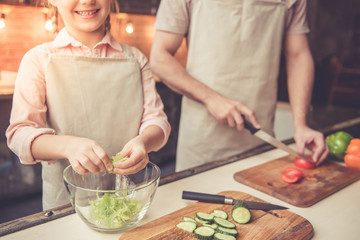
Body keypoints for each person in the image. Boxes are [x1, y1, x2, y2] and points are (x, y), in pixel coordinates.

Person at [6, 0, 170, 210]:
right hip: (66, 204)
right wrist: (68, 146)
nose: (87, 1)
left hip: (130, 200)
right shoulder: (38, 60)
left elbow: (157, 121)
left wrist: (144, 142)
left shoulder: (137, 59)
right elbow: (20, 134)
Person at [150, 0, 328, 171]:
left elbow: (298, 56)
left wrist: (301, 125)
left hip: (260, 138)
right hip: (203, 140)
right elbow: (159, 58)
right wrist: (211, 98)